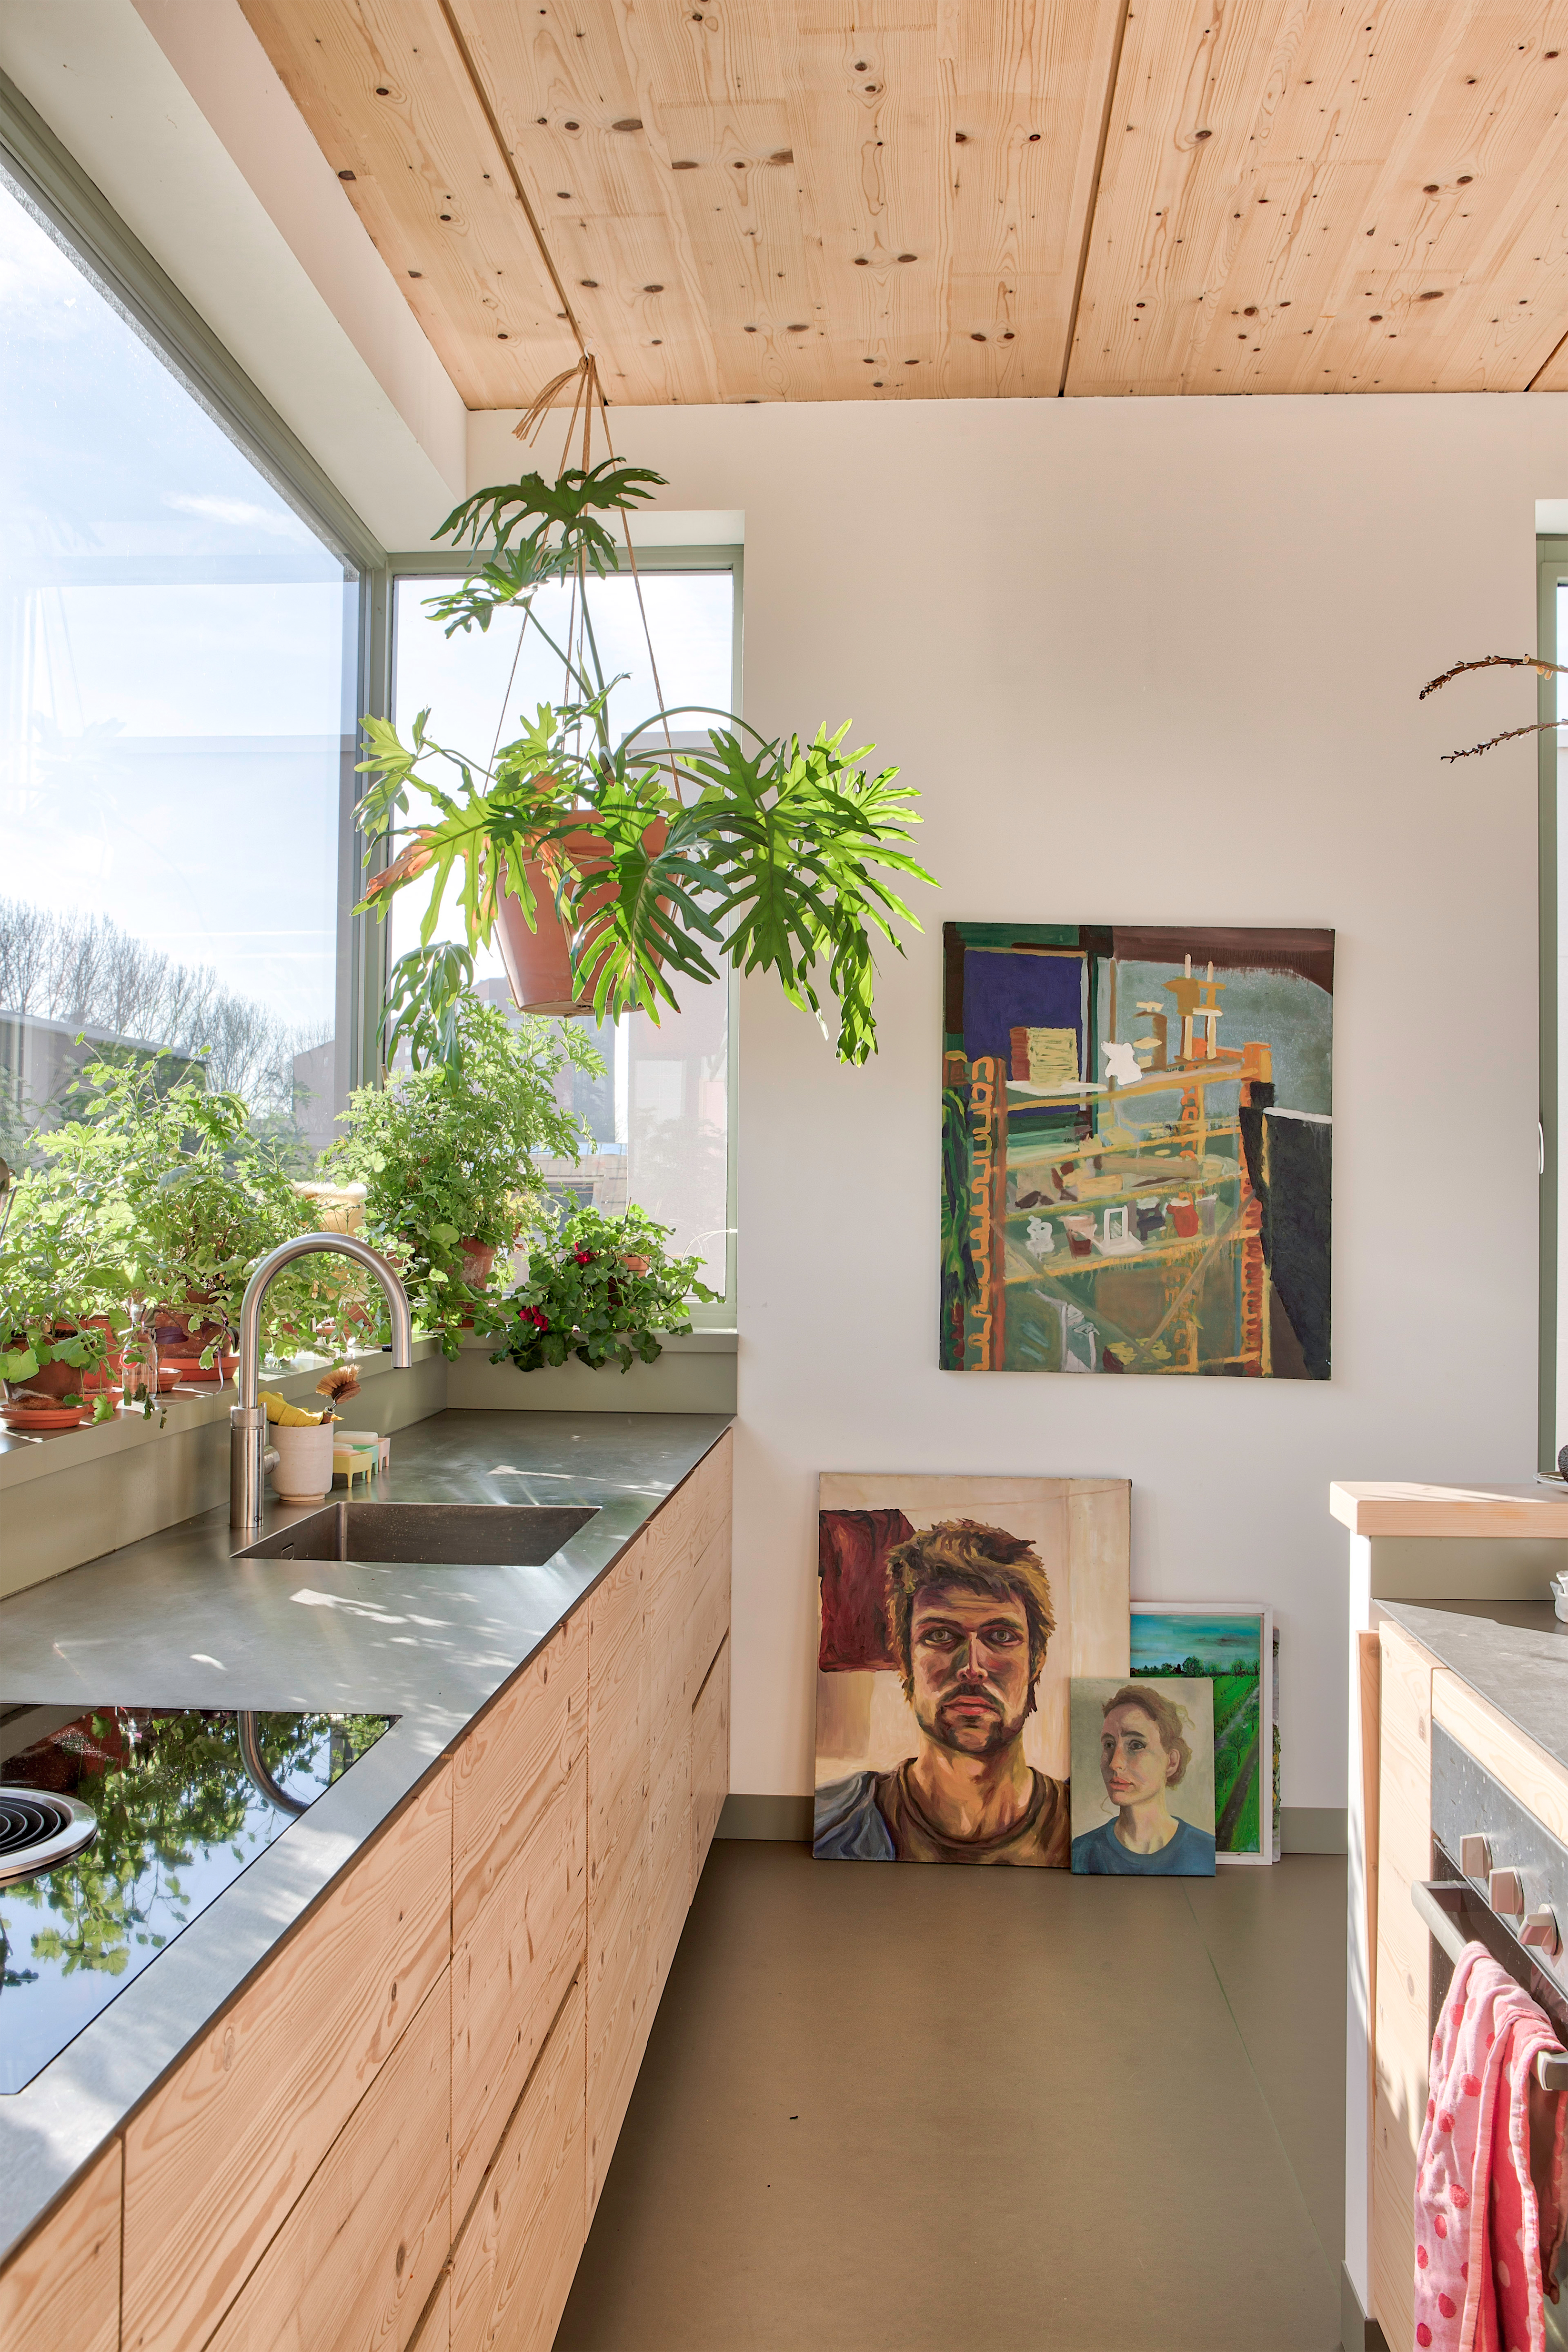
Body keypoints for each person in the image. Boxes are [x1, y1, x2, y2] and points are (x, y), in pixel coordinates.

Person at [814, 1519, 1069, 1865]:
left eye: (1001, 1637)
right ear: (905, 1659)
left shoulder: (1095, 1830)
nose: (973, 1668)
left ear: (1037, 1659)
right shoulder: (828, 1823)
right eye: (940, 1635)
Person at [1070, 1684, 1216, 1875]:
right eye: (1109, 1745)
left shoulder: (1205, 1851)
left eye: (1136, 1745)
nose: (1115, 1764)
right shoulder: (1082, 1852)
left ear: (1171, 1762)